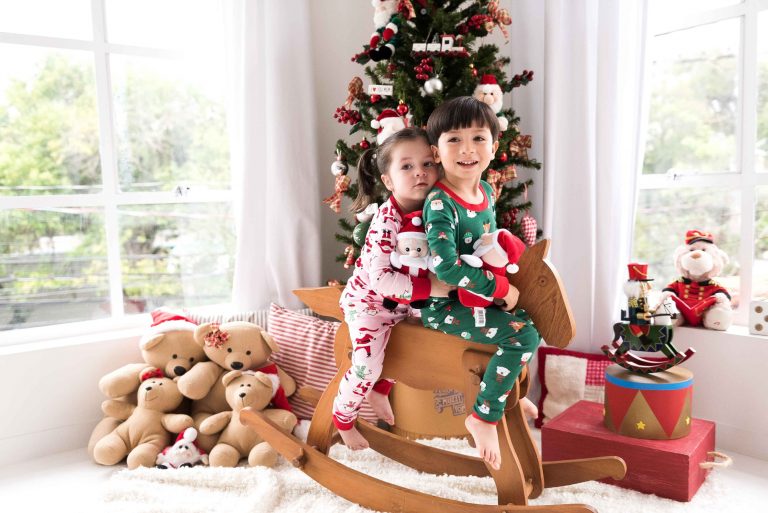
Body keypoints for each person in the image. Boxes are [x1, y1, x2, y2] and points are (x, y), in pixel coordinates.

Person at [422, 96, 540, 470]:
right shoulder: (441, 203)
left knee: (532, 316)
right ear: (436, 152)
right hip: (445, 305)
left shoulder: (487, 191)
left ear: (494, 145)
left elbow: (484, 241)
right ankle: (483, 416)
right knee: (522, 335)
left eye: (478, 138)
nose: (467, 149)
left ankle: (504, 391)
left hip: (478, 296)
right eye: (454, 139)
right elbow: (446, 269)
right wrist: (499, 289)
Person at [334, 127, 453, 450]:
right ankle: (343, 418)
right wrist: (429, 288)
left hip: (407, 305)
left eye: (428, 164)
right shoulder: (386, 220)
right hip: (369, 304)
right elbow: (380, 279)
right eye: (407, 166)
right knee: (367, 363)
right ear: (388, 180)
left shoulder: (435, 210)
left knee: (418, 350)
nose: (420, 173)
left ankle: (380, 388)